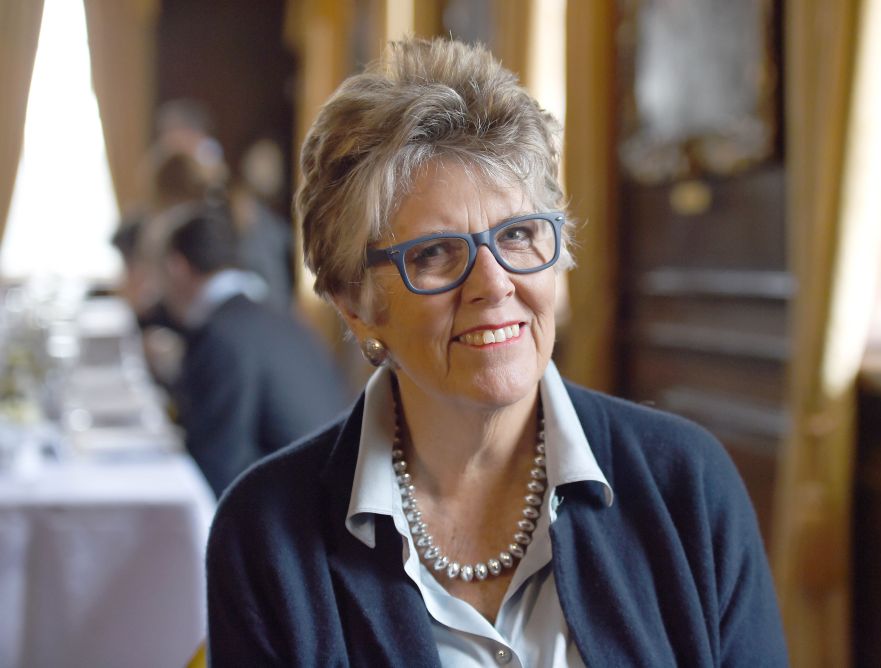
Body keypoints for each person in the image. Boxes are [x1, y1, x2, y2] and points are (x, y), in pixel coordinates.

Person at [206, 38, 787, 665]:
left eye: (517, 234)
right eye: (433, 253)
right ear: (356, 303)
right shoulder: (264, 535)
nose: (493, 283)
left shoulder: (688, 490)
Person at [161, 205, 351, 497]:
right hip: (330, 493)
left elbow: (217, 465)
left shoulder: (221, 334)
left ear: (177, 266)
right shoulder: (280, 317)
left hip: (291, 514)